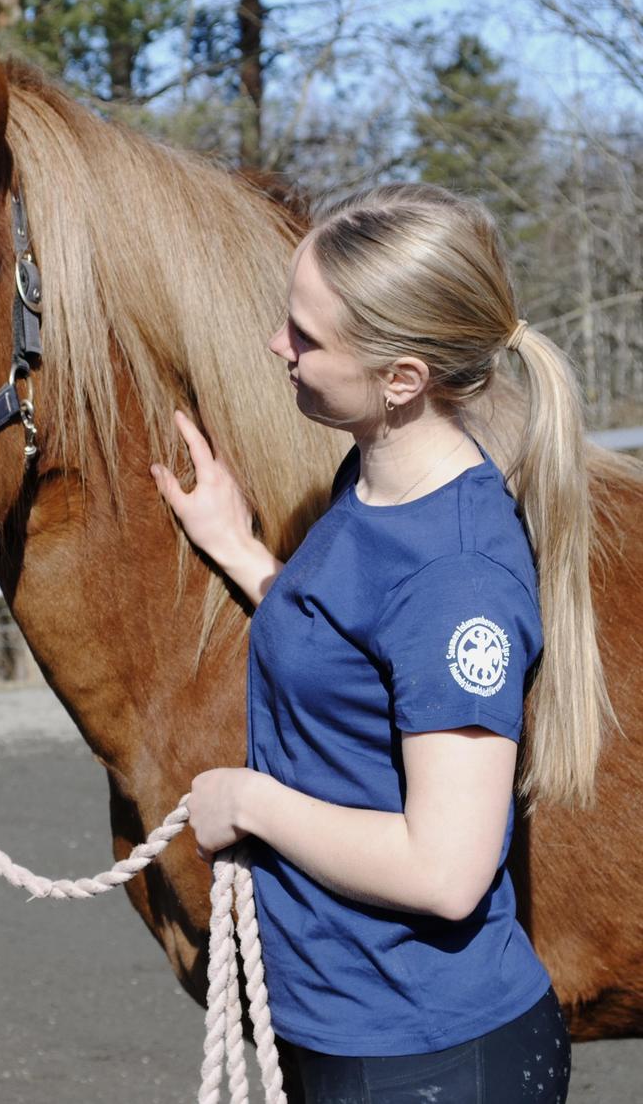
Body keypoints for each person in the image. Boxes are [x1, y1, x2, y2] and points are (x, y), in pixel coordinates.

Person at [149, 183, 613, 1103]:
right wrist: (242, 549)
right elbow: (358, 644)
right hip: (346, 1026)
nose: (277, 347)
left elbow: (445, 870)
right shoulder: (370, 478)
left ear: (402, 378)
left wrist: (252, 802)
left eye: (306, 337)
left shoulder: (460, 582)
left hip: (423, 1059)